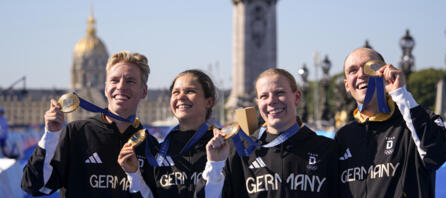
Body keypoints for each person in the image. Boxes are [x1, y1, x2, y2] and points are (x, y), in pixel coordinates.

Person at [21, 51, 156, 198]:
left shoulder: (150, 146)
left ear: (144, 91)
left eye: (130, 81)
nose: (121, 86)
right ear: (105, 88)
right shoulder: (76, 133)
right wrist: (51, 134)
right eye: (114, 80)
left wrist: (135, 175)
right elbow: (34, 186)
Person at [335, 47, 446, 197]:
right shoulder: (343, 136)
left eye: (370, 67)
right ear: (347, 85)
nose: (361, 74)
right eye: (353, 70)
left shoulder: (416, 121)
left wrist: (400, 93)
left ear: (384, 71)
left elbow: (438, 154)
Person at [200, 68, 338, 197]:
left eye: (280, 93)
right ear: (258, 103)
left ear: (297, 97)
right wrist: (215, 165)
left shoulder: (326, 149)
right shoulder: (239, 150)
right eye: (264, 96)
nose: (272, 101)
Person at [118, 69, 217, 197]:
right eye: (175, 92)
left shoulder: (224, 146)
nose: (181, 97)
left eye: (190, 91)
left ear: (209, 102)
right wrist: (133, 174)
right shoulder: (158, 151)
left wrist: (217, 164)